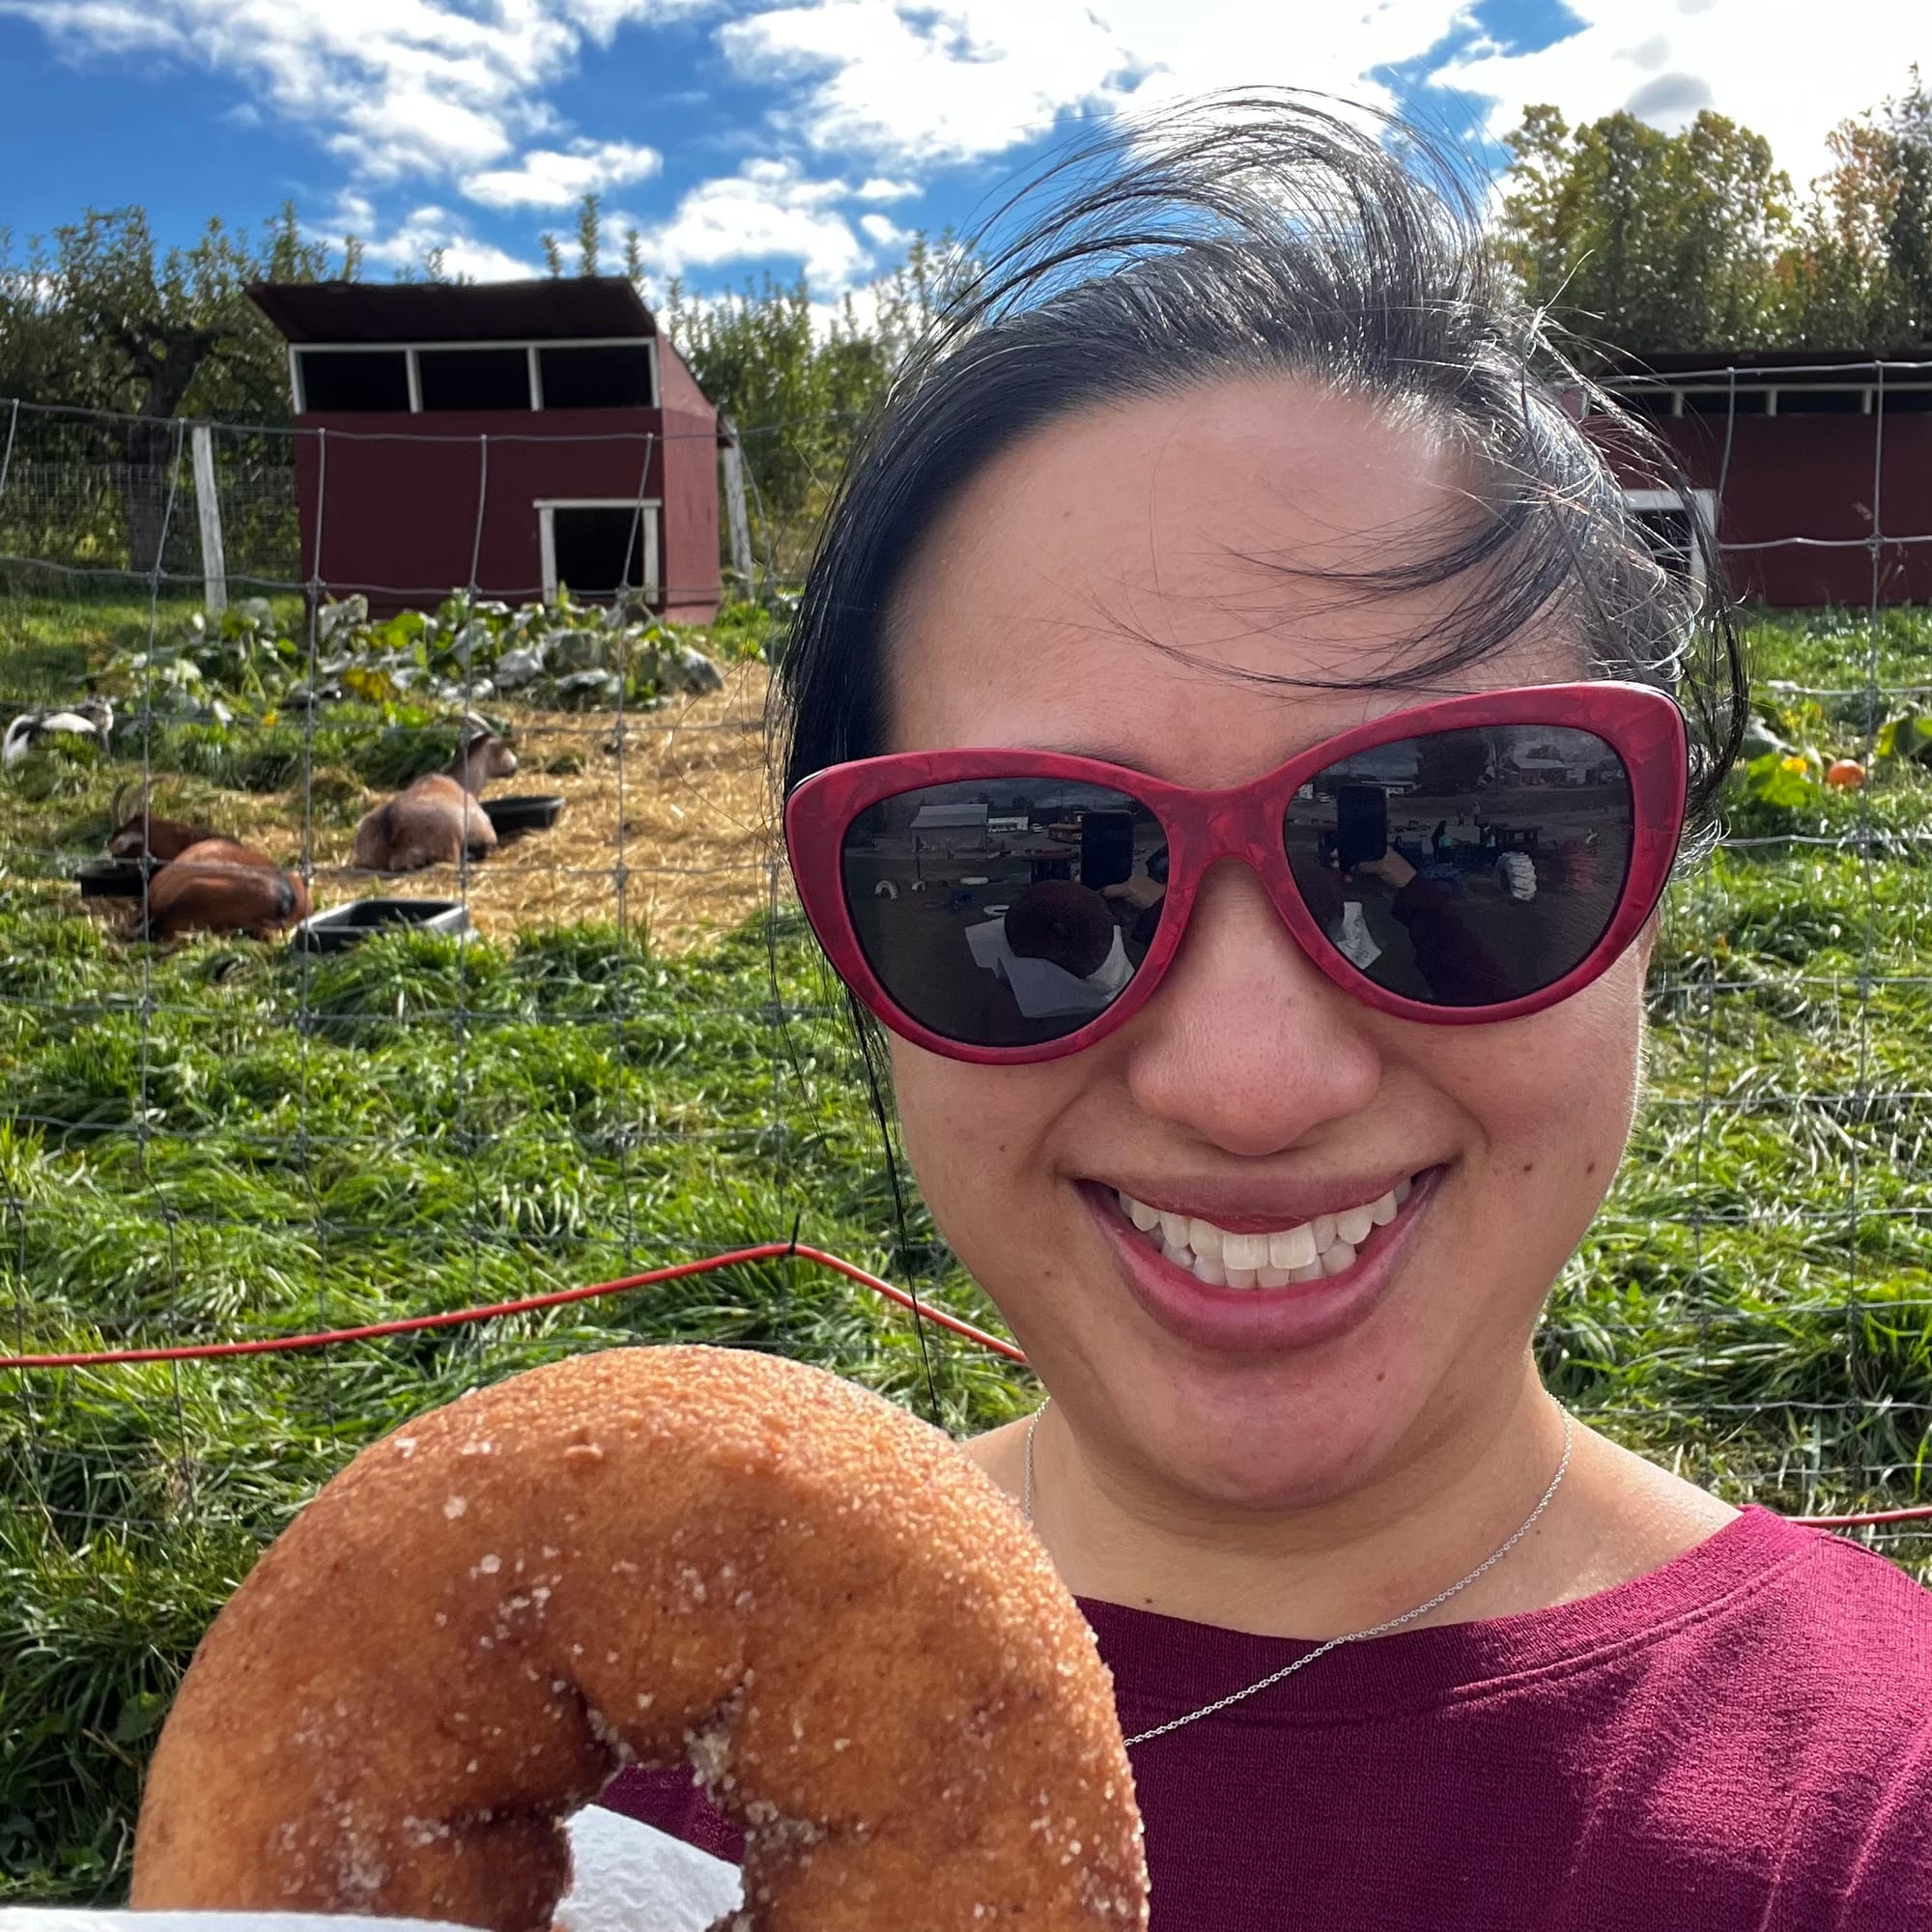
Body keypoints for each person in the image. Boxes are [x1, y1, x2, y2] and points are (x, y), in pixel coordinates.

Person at [604, 95, 1932, 1926]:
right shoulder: (618, 1747)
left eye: (1453, 856)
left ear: (1658, 879)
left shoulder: (1873, 1819)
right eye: (1018, 878)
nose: (1248, 1084)